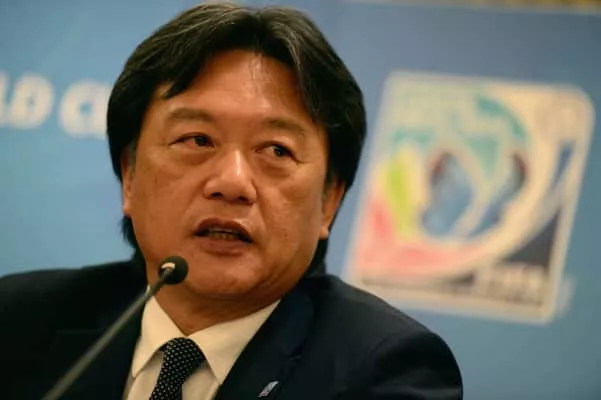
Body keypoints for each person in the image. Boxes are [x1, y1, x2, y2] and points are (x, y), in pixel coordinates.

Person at [0, 3, 462, 399]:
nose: (232, 182)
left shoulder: (386, 372)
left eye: (276, 150)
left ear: (329, 201)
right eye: (197, 139)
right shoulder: (17, 323)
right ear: (130, 176)